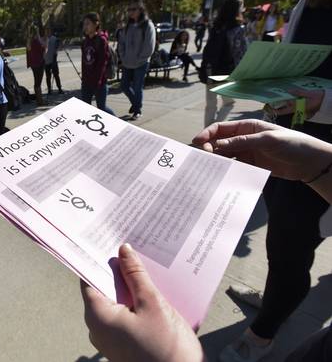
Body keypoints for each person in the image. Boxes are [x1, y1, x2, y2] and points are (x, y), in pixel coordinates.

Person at [82, 118, 332, 362]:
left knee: (290, 261)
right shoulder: (304, 162)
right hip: (302, 162)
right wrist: (320, 163)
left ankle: (261, 335)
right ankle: (272, 301)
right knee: (279, 253)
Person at [219, 0, 332, 360]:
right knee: (277, 236)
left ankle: (263, 333)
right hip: (289, 134)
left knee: (293, 248)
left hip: (323, 156)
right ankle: (272, 299)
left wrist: (326, 102)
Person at [202, 0, 247, 127]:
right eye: (242, 7)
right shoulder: (238, 29)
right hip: (226, 73)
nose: (243, 10)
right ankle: (214, 128)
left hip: (210, 70)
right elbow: (240, 53)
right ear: (236, 10)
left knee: (210, 105)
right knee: (229, 103)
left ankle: (206, 132)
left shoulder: (216, 26)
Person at [118, 0, 155, 120]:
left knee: (137, 87)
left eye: (133, 9)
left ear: (140, 10)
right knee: (124, 86)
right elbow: (121, 43)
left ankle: (137, 110)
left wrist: (140, 59)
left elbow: (149, 46)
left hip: (141, 63)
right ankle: (136, 103)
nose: (130, 12)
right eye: (129, 10)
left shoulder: (147, 25)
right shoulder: (127, 26)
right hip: (127, 62)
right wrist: (123, 56)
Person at [81, 12, 114, 116]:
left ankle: (116, 121)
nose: (85, 26)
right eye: (84, 24)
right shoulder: (85, 41)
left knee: (101, 108)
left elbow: (102, 63)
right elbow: (84, 63)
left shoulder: (101, 40)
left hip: (99, 83)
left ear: (96, 24)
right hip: (86, 82)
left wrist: (97, 81)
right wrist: (84, 79)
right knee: (85, 108)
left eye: (88, 24)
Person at [27, 25, 46, 106]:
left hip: (33, 64)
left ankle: (39, 100)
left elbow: (28, 51)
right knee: (38, 82)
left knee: (36, 82)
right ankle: (40, 101)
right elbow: (44, 49)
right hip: (39, 63)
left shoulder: (29, 41)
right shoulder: (37, 41)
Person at [43, 27, 63, 95]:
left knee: (56, 75)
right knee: (48, 76)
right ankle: (49, 89)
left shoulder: (54, 38)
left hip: (53, 59)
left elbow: (59, 46)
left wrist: (59, 43)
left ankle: (59, 88)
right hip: (46, 60)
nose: (47, 33)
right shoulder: (44, 39)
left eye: (48, 31)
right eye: (46, 31)